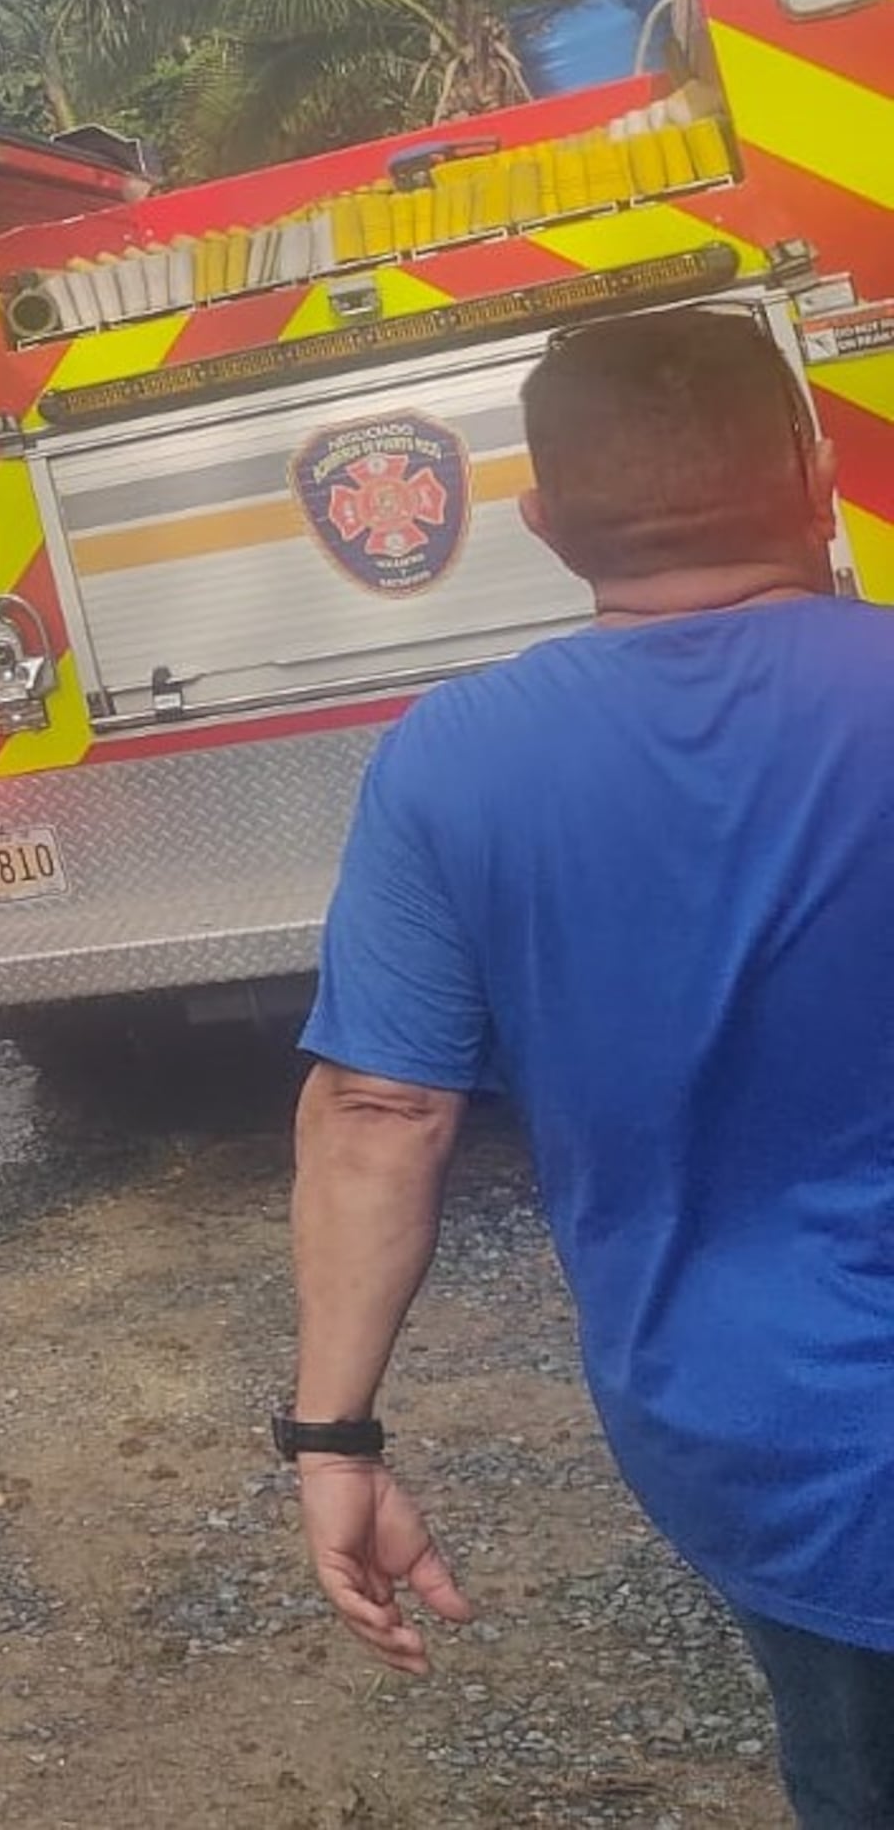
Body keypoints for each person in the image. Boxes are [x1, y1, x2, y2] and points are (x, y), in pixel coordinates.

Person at [283, 305, 894, 1829]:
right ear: (822, 479)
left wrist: (335, 1438)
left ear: (547, 527)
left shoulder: (455, 762)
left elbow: (382, 1113)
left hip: (776, 1442)